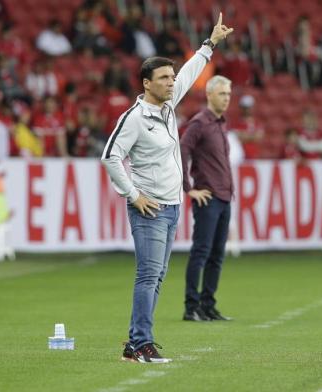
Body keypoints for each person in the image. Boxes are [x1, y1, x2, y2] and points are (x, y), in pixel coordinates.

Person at [101, 13, 233, 363]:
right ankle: (140, 342)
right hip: (150, 207)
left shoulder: (168, 107)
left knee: (156, 276)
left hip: (171, 206)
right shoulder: (133, 118)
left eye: (171, 78)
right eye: (163, 78)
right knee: (148, 276)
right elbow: (110, 157)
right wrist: (133, 194)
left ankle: (137, 343)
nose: (171, 83)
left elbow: (189, 75)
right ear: (146, 83)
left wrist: (209, 44)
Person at [180, 76, 234, 322]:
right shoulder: (200, 123)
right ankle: (191, 306)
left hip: (223, 197)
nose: (226, 98)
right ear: (210, 95)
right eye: (222, 93)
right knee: (201, 252)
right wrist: (188, 187)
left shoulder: (221, 124)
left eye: (228, 94)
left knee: (216, 255)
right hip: (208, 197)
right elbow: (182, 148)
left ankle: (207, 305)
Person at [231, 94, 264, 159]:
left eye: (249, 107)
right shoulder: (235, 123)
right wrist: (252, 136)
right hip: (239, 156)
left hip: (254, 156)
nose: (247, 109)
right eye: (245, 107)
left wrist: (243, 135)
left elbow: (259, 137)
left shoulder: (257, 123)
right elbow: (234, 137)